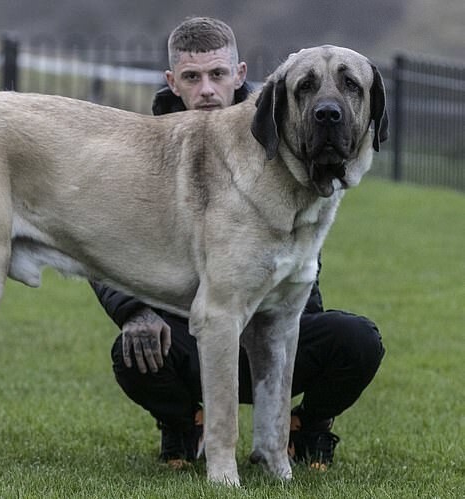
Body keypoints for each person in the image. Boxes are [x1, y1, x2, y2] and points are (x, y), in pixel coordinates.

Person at [91, 17, 384, 471]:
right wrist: (134, 312)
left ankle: (301, 430)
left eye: (217, 75)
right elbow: (101, 238)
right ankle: (184, 426)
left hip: (265, 339)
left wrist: (285, 334)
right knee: (134, 352)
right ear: (173, 82)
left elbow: (303, 289)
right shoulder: (142, 151)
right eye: (192, 77)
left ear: (240, 76)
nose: (207, 90)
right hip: (189, 340)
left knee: (357, 341)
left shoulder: (280, 160)